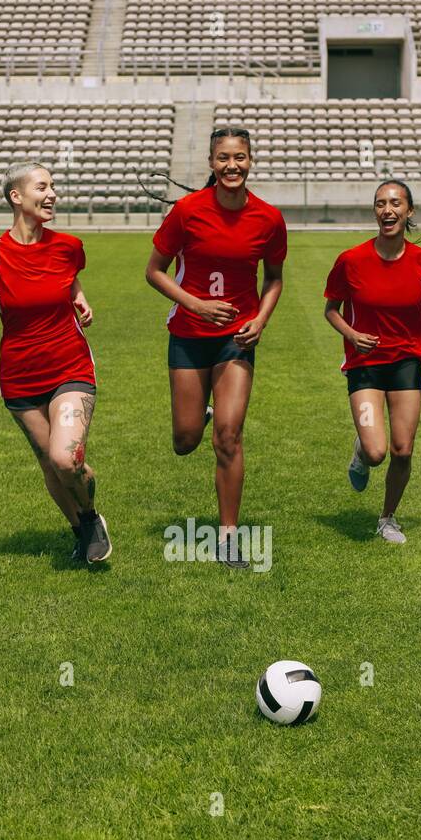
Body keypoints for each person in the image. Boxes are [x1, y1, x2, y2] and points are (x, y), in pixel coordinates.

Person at [145, 127, 286, 569]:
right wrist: (195, 304)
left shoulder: (268, 218)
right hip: (188, 334)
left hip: (235, 339)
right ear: (211, 162)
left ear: (250, 160)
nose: (232, 166)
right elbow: (154, 271)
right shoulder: (187, 212)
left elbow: (275, 277)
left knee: (229, 436)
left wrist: (260, 320)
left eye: (239, 157)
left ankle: (227, 538)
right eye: (223, 158)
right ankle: (199, 415)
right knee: (186, 441)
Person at [0, 161, 111, 564]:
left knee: (66, 458)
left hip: (70, 367)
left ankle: (90, 518)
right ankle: (81, 531)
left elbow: (67, 276)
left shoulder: (69, 245)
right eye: (42, 187)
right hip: (19, 378)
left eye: (53, 186)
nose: (52, 194)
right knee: (49, 463)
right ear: (17, 197)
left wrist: (78, 295)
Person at [323, 179, 421, 545]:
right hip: (365, 365)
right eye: (381, 203)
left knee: (402, 450)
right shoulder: (351, 260)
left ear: (409, 211)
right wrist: (351, 336)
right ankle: (361, 449)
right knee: (376, 451)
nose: (388, 210)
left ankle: (387, 518)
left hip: (405, 365)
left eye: (396, 203)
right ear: (375, 211)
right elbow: (331, 310)